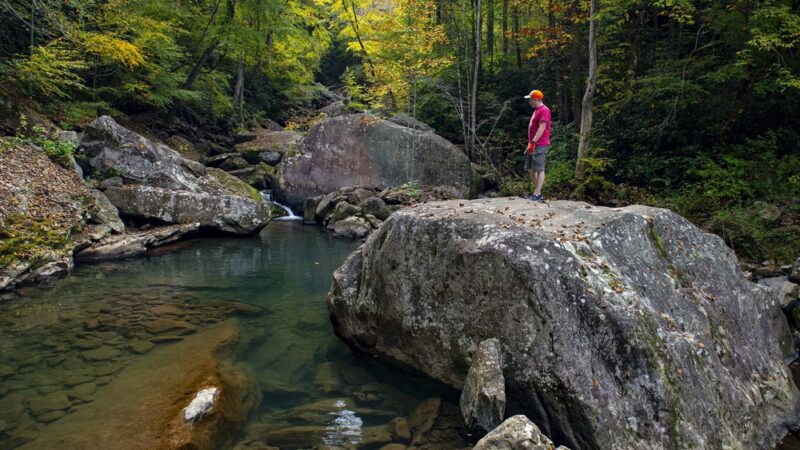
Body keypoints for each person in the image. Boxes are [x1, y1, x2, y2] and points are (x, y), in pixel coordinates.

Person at [523, 89, 551, 201]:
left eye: (530, 99)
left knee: (539, 169)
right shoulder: (536, 110)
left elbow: (542, 127)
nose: (529, 101)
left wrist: (533, 141)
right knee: (530, 169)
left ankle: (537, 193)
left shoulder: (544, 110)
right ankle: (537, 192)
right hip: (532, 143)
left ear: (536, 99)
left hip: (539, 144)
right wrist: (530, 143)